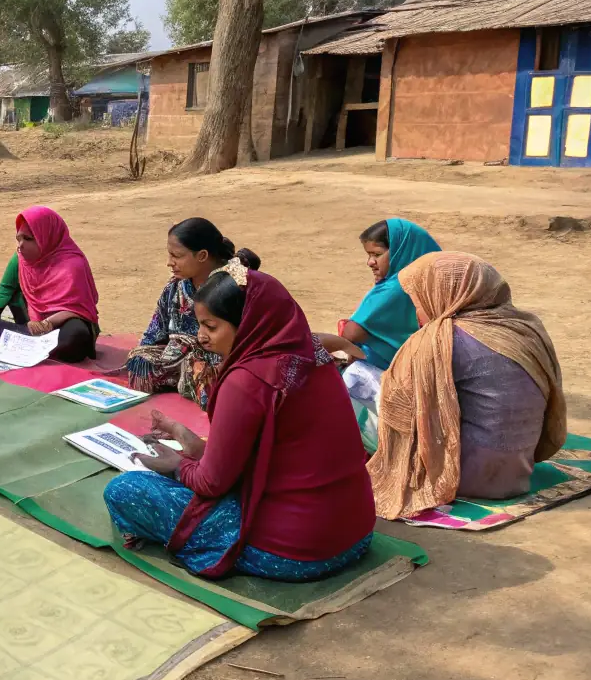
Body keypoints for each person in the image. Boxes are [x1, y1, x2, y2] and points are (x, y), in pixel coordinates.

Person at [103, 262, 376, 581]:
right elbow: (268, 453)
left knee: (125, 490)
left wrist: (176, 465)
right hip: (355, 534)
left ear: (246, 325)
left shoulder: (246, 380)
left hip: (300, 553)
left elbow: (213, 483)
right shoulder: (310, 354)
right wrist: (187, 439)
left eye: (211, 326)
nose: (201, 337)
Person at [369, 252, 566, 518]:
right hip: (520, 469)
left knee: (357, 393)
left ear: (446, 294)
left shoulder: (442, 338)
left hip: (466, 477)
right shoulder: (526, 327)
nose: (417, 311)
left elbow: (399, 409)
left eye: (418, 301)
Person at [315, 219, 441, 450]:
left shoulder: (397, 287)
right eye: (368, 255)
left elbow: (353, 332)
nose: (370, 262)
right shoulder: (431, 280)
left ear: (402, 250)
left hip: (393, 380)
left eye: (377, 254)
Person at [126, 218, 260, 408]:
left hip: (218, 359)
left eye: (177, 256)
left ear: (202, 255)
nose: (169, 263)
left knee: (213, 384)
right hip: (177, 357)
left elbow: (243, 339)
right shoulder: (176, 286)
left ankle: (199, 382)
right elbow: (155, 331)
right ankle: (187, 378)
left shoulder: (232, 288)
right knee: (139, 362)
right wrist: (142, 353)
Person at [0, 205, 101, 363]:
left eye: (28, 239)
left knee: (76, 337)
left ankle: (23, 343)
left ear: (46, 237)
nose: (21, 245)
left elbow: (80, 309)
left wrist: (47, 323)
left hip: (62, 325)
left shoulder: (73, 264)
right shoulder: (19, 260)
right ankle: (30, 342)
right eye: (18, 239)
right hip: (29, 325)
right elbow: (5, 290)